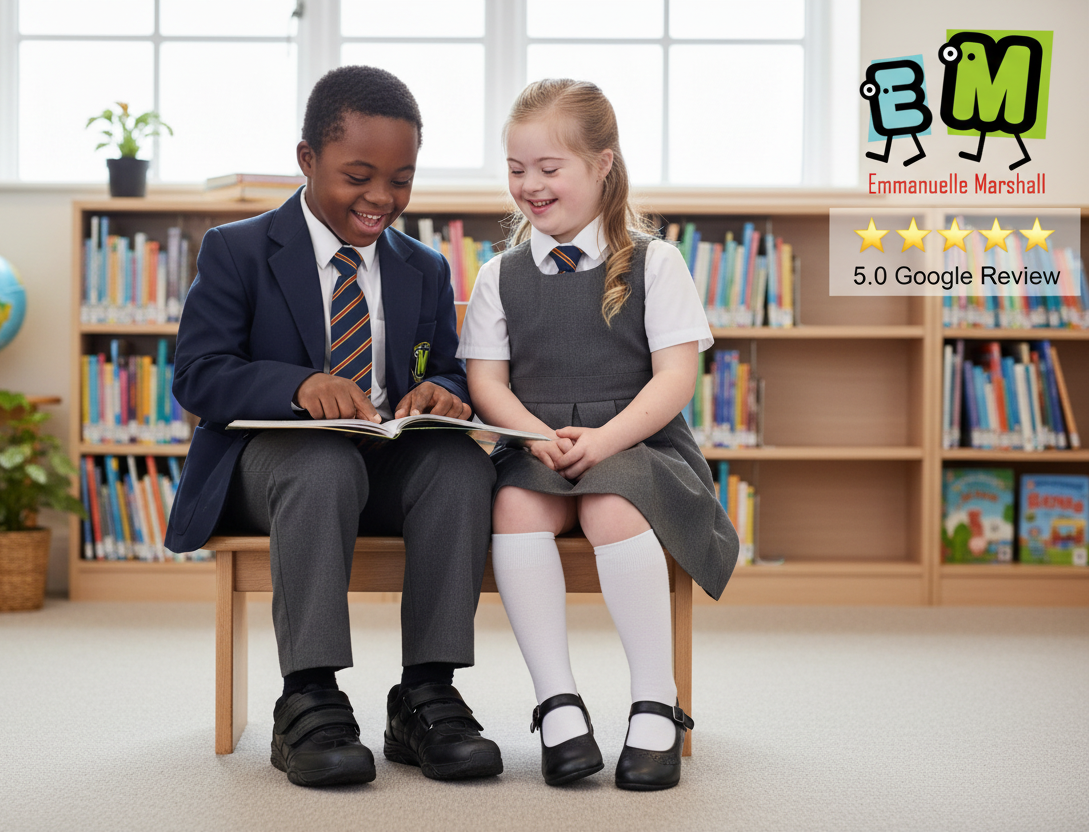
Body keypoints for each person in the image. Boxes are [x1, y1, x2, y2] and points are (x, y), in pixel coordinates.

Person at [166, 65, 502, 788]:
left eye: (401, 180)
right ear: (307, 159)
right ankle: (309, 696)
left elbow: (446, 368)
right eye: (358, 176)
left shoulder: (424, 267)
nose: (381, 198)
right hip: (275, 464)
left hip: (384, 458)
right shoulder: (237, 249)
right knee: (321, 465)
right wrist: (297, 385)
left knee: (460, 467)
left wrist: (443, 393)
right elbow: (197, 375)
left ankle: (427, 693)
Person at [458, 79, 739, 791]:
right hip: (537, 442)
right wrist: (535, 438)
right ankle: (557, 704)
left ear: (601, 165)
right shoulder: (498, 276)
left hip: (637, 442)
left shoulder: (656, 262)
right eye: (516, 169)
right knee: (513, 506)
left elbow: (675, 379)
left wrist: (605, 440)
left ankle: (655, 701)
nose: (530, 185)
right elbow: (487, 385)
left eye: (549, 168)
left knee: (611, 507)